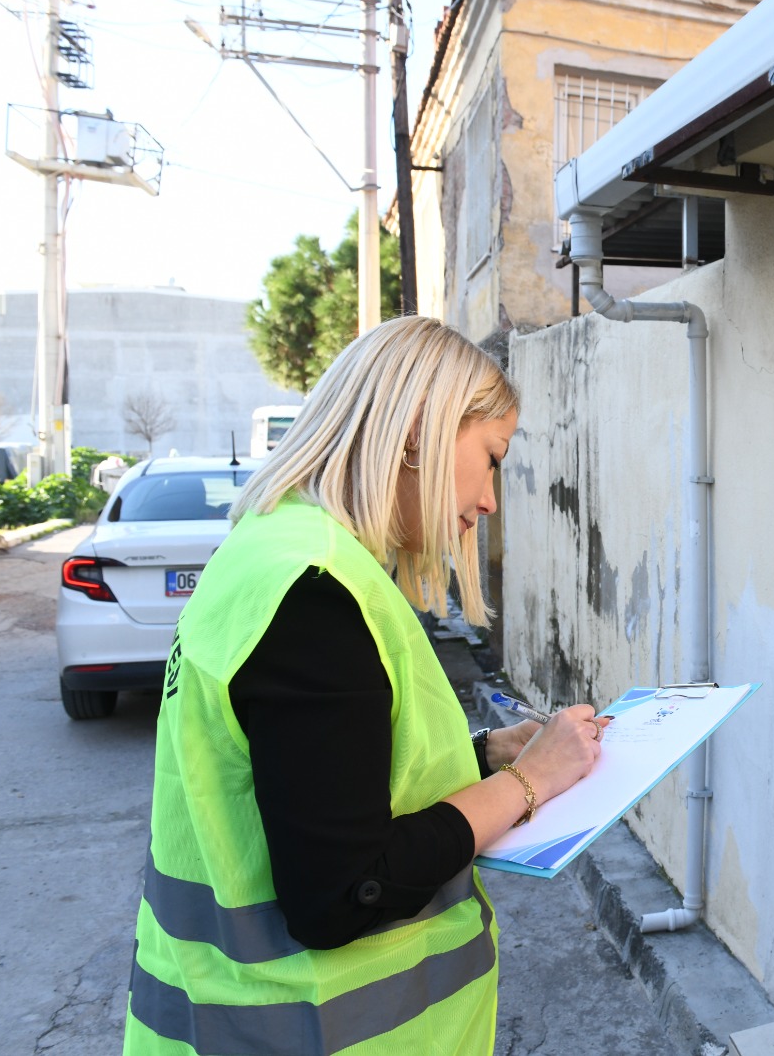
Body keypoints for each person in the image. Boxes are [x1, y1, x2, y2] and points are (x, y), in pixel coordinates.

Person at [124, 317, 610, 1054]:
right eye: (490, 458)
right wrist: (527, 785)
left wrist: (483, 757)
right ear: (418, 431)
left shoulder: (274, 548)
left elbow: (316, 777)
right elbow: (344, 893)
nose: (489, 501)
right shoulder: (316, 593)